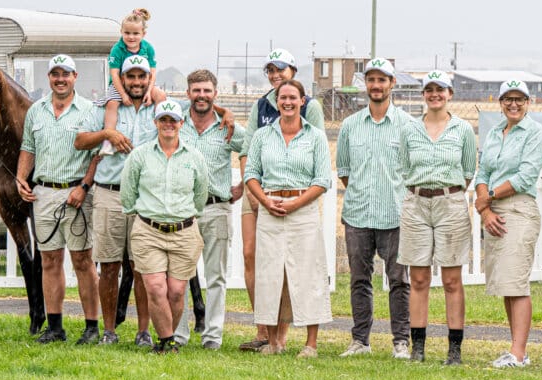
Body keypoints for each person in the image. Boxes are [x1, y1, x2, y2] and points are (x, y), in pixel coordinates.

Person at [239, 48, 324, 351]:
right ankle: (266, 333)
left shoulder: (311, 112)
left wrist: (300, 202)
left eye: (281, 70)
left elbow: (320, 167)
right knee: (258, 261)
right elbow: (248, 150)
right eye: (271, 71)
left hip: (299, 200)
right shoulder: (261, 107)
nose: (276, 76)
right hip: (263, 195)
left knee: (299, 269)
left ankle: (293, 338)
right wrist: (256, 195)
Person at [16, 54, 102, 344]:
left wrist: (85, 187)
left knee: (82, 261)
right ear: (49, 78)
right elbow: (28, 147)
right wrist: (20, 178)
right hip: (44, 193)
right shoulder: (36, 111)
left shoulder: (90, 111)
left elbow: (97, 154)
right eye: (55, 74)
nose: (60, 79)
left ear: (75, 77)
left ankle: (91, 327)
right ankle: (55, 328)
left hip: (76, 192)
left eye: (66, 74)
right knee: (50, 260)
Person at [75, 55, 158, 345]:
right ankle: (109, 330)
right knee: (109, 265)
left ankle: (144, 331)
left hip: (145, 198)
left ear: (149, 79)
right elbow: (80, 140)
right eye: (130, 76)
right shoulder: (105, 108)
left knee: (142, 266)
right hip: (109, 193)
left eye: (141, 77)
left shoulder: (156, 108)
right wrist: (107, 133)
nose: (136, 82)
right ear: (121, 79)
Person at [335, 57, 413, 359]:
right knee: (359, 279)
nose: (376, 85)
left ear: (392, 84)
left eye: (382, 80)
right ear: (365, 84)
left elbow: (411, 168)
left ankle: (400, 341)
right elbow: (344, 169)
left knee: (398, 280)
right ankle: (360, 340)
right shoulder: (350, 126)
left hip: (395, 214)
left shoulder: (407, 125)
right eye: (371, 80)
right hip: (358, 214)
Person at [397, 71, 476, 365]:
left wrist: (447, 192)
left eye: (440, 90)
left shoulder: (462, 129)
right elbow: (404, 167)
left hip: (450, 202)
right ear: (423, 95)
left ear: (450, 94)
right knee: (418, 278)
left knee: (452, 279)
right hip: (417, 202)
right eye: (429, 90)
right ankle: (418, 347)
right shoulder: (410, 130)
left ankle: (454, 349)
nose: (434, 95)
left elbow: (468, 170)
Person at [121, 100, 208, 353]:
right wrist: (143, 214)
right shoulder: (140, 155)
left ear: (181, 123)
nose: (168, 124)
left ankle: (168, 336)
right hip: (149, 230)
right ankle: (166, 341)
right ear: (155, 122)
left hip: (183, 231)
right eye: (163, 120)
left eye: (173, 120)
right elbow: (128, 193)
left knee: (177, 291)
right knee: (156, 287)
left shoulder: (194, 157)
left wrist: (186, 215)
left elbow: (200, 194)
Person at [475, 78, 542, 369]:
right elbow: (483, 171)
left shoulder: (536, 133)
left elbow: (525, 176)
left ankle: (518, 353)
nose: (514, 104)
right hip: (493, 210)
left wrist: (489, 196)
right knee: (507, 284)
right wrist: (485, 208)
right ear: (501, 102)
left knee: (517, 283)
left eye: (520, 99)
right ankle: (516, 349)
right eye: (508, 99)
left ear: (528, 103)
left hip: (518, 209)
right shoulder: (495, 132)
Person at [174, 69, 246, 350]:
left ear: (215, 94)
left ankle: (212, 336)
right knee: (178, 274)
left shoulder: (228, 128)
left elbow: (250, 148)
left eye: (207, 91)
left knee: (216, 276)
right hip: (182, 210)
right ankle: (178, 335)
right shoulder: (177, 122)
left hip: (216, 208)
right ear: (188, 93)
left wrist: (242, 185)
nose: (201, 96)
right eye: (196, 90)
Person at [98, 8, 163, 156]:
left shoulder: (148, 48)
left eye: (135, 33)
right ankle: (108, 140)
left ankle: (160, 131)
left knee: (160, 96)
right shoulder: (117, 49)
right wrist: (123, 95)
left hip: (144, 83)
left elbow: (152, 72)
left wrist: (148, 91)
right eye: (127, 33)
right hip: (119, 84)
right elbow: (114, 73)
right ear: (121, 32)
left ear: (143, 34)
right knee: (112, 103)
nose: (131, 37)